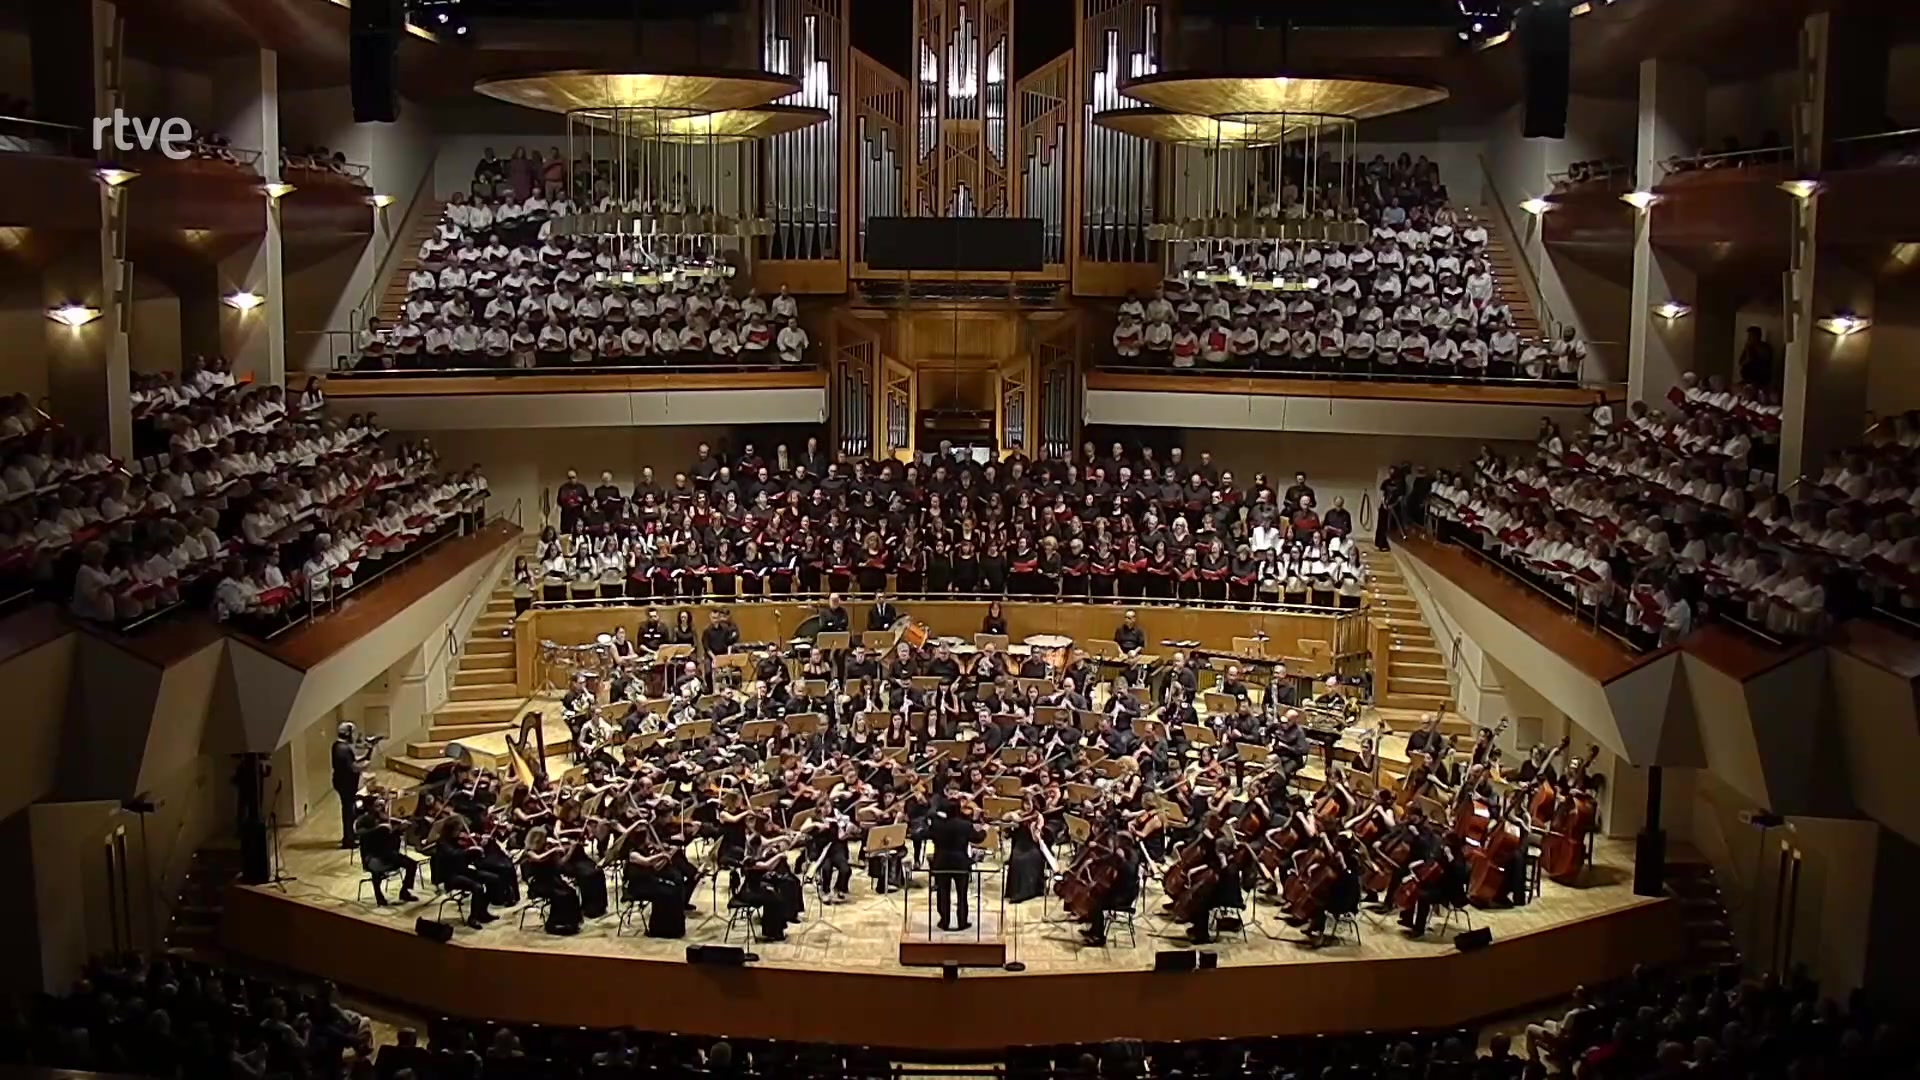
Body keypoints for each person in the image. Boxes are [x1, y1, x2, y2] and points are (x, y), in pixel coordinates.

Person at [928, 799, 984, 931]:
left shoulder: (937, 825)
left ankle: (944, 921)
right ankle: (962, 921)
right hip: (960, 863)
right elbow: (977, 838)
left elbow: (926, 834)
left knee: (943, 893)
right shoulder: (965, 825)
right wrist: (984, 831)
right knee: (962, 894)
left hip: (942, 862)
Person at [331, 722, 371, 849]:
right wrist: (365, 765)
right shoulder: (343, 749)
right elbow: (353, 767)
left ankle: (350, 835)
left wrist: (367, 754)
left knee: (349, 810)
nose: (354, 736)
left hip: (342, 783)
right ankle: (348, 839)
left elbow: (352, 761)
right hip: (345, 784)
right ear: (347, 733)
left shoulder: (338, 746)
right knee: (349, 811)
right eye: (352, 733)